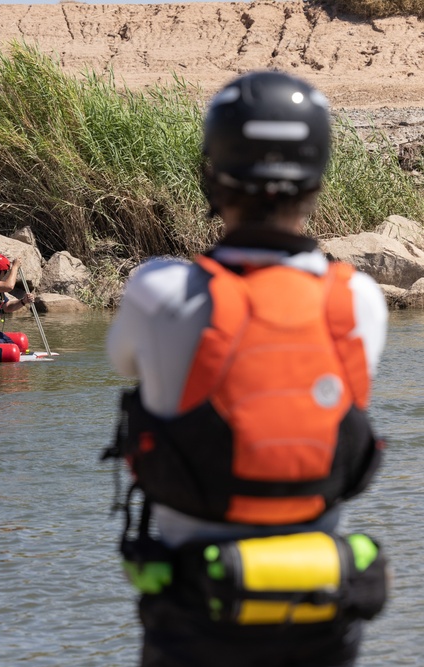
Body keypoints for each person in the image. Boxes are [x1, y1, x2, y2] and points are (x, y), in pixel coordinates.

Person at [105, 71, 389, 667]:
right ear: (317, 178)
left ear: (213, 175)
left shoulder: (158, 292)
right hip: (319, 611)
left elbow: (122, 364)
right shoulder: (359, 300)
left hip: (193, 615)